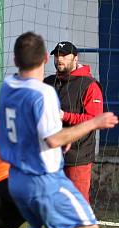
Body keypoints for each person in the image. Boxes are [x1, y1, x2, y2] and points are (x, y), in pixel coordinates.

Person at [0, 31, 117, 228]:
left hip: (18, 179)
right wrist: (95, 123)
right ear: (44, 60)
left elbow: (35, 129)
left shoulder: (8, 86)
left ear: (15, 59)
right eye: (56, 55)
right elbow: (52, 138)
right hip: (45, 177)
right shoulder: (44, 92)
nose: (60, 59)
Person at [43, 41, 103, 202]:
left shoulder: (89, 85)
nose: (59, 59)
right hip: (48, 154)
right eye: (56, 55)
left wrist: (65, 116)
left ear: (75, 58)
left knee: (77, 205)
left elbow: (95, 120)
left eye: (63, 55)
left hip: (77, 155)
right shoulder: (47, 83)